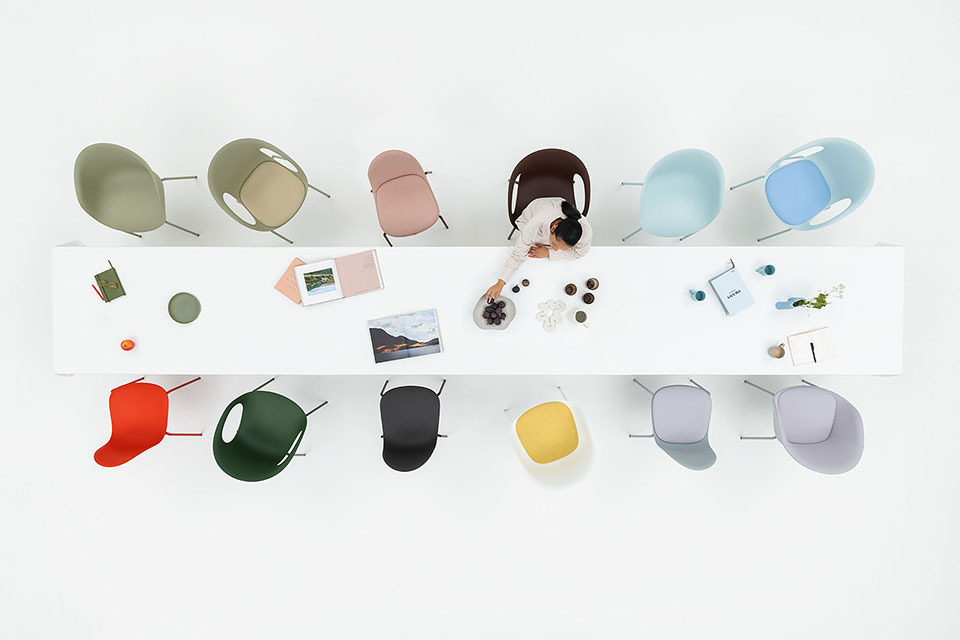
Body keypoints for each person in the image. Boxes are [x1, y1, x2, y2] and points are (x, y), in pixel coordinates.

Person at [484, 197, 592, 301]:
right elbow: (518, 255)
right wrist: (500, 283)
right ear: (553, 228)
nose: (555, 249)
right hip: (537, 209)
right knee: (528, 240)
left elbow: (579, 253)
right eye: (554, 244)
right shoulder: (535, 224)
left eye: (560, 248)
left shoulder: (585, 232)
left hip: (554, 213)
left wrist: (548, 253)